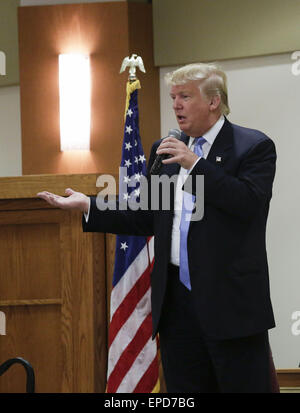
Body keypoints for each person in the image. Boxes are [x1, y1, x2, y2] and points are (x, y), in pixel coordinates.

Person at [38, 63, 278, 393]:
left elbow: (247, 204)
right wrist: (89, 205)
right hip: (176, 307)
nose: (176, 104)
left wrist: (194, 164)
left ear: (214, 101)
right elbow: (146, 213)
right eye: (173, 96)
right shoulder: (165, 150)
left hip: (230, 306)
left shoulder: (252, 147)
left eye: (185, 96)